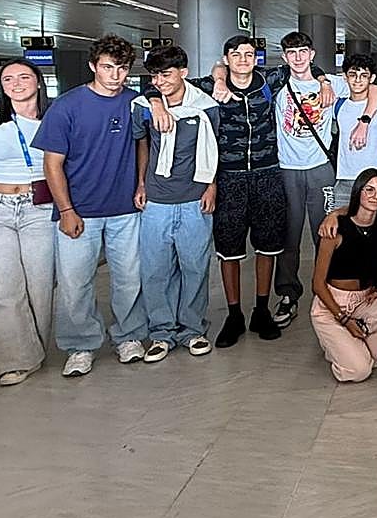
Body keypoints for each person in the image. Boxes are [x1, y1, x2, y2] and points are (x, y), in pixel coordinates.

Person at [147, 34, 346, 345]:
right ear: (226, 59)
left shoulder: (271, 79)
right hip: (230, 178)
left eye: (249, 53)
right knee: (230, 250)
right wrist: (158, 101)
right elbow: (163, 83)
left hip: (268, 175)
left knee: (268, 246)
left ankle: (262, 309)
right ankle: (234, 313)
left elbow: (306, 63)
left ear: (257, 58)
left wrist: (323, 81)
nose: (242, 58)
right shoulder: (209, 87)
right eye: (235, 54)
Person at [33, 35, 148, 377]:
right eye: (108, 67)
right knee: (74, 282)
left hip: (125, 209)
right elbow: (52, 163)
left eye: (122, 68)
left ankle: (128, 337)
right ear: (93, 66)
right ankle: (80, 345)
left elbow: (142, 144)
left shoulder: (134, 103)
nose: (115, 75)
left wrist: (140, 182)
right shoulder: (67, 106)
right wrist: (66, 210)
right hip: (79, 211)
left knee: (129, 278)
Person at [272, 31, 377, 330]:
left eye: (303, 52)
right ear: (284, 57)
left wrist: (325, 83)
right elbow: (225, 71)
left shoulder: (335, 83)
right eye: (291, 53)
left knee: (328, 233)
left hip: (322, 168)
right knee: (289, 236)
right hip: (287, 168)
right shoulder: (275, 84)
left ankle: (331, 293)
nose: (297, 58)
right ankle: (287, 294)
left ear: (312, 55)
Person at [0, 60, 53, 385]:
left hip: (39, 208)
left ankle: (34, 353)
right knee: (1, 287)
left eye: (24, 77)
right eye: (8, 79)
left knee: (39, 286)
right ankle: (11, 360)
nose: (16, 83)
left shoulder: (54, 117)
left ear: (38, 82)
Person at [132, 46, 219, 362]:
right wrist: (141, 183)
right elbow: (141, 144)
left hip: (195, 199)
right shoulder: (144, 107)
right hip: (157, 199)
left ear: (183, 71)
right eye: (154, 76)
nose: (160, 81)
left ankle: (193, 330)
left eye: (166, 74)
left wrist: (212, 187)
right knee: (155, 270)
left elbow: (215, 149)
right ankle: (160, 333)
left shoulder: (206, 107)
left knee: (195, 267)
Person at [309, 168, 377, 382]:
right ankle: (340, 347)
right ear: (358, 191)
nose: (375, 196)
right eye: (369, 190)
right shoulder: (335, 228)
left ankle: (353, 349)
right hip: (331, 305)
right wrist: (344, 319)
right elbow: (317, 284)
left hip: (362, 300)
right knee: (360, 371)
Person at [333, 53, 377, 204]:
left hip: (375, 178)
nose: (358, 80)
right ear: (345, 77)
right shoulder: (337, 106)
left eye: (364, 75)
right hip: (345, 177)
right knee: (342, 225)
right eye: (352, 75)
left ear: (371, 78)